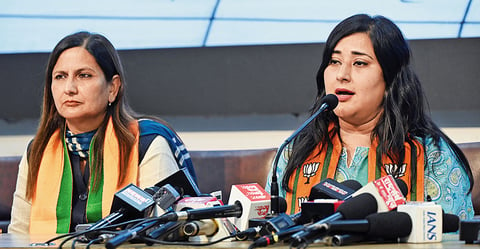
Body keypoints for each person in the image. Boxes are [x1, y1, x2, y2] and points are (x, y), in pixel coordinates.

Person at [266, 14, 474, 219]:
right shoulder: (294, 153)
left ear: (390, 80)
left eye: (359, 63)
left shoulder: (432, 156)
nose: (342, 74)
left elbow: (454, 238)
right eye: (335, 61)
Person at [9, 31, 197, 234]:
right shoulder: (38, 150)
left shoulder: (146, 144)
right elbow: (18, 234)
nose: (69, 88)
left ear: (113, 88)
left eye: (84, 75)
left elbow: (165, 232)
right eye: (60, 77)